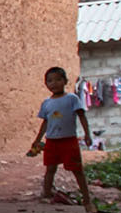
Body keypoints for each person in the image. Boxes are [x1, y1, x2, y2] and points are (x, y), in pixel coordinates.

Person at [28, 66, 92, 204]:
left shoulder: (72, 99)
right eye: (50, 81)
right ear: (46, 84)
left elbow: (82, 116)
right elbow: (45, 123)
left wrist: (87, 134)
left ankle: (87, 198)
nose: (54, 83)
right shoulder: (46, 103)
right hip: (51, 141)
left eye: (58, 79)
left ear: (65, 81)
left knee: (77, 169)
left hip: (69, 141)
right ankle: (46, 194)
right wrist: (37, 140)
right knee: (50, 168)